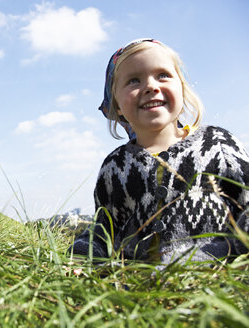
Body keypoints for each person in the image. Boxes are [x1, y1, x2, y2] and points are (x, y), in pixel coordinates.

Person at [70, 39, 249, 263]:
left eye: (163, 75)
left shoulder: (217, 145)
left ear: (182, 88)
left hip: (219, 280)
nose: (151, 86)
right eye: (134, 80)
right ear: (116, 104)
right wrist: (80, 258)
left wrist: (230, 253)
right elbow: (104, 231)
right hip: (137, 289)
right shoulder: (114, 167)